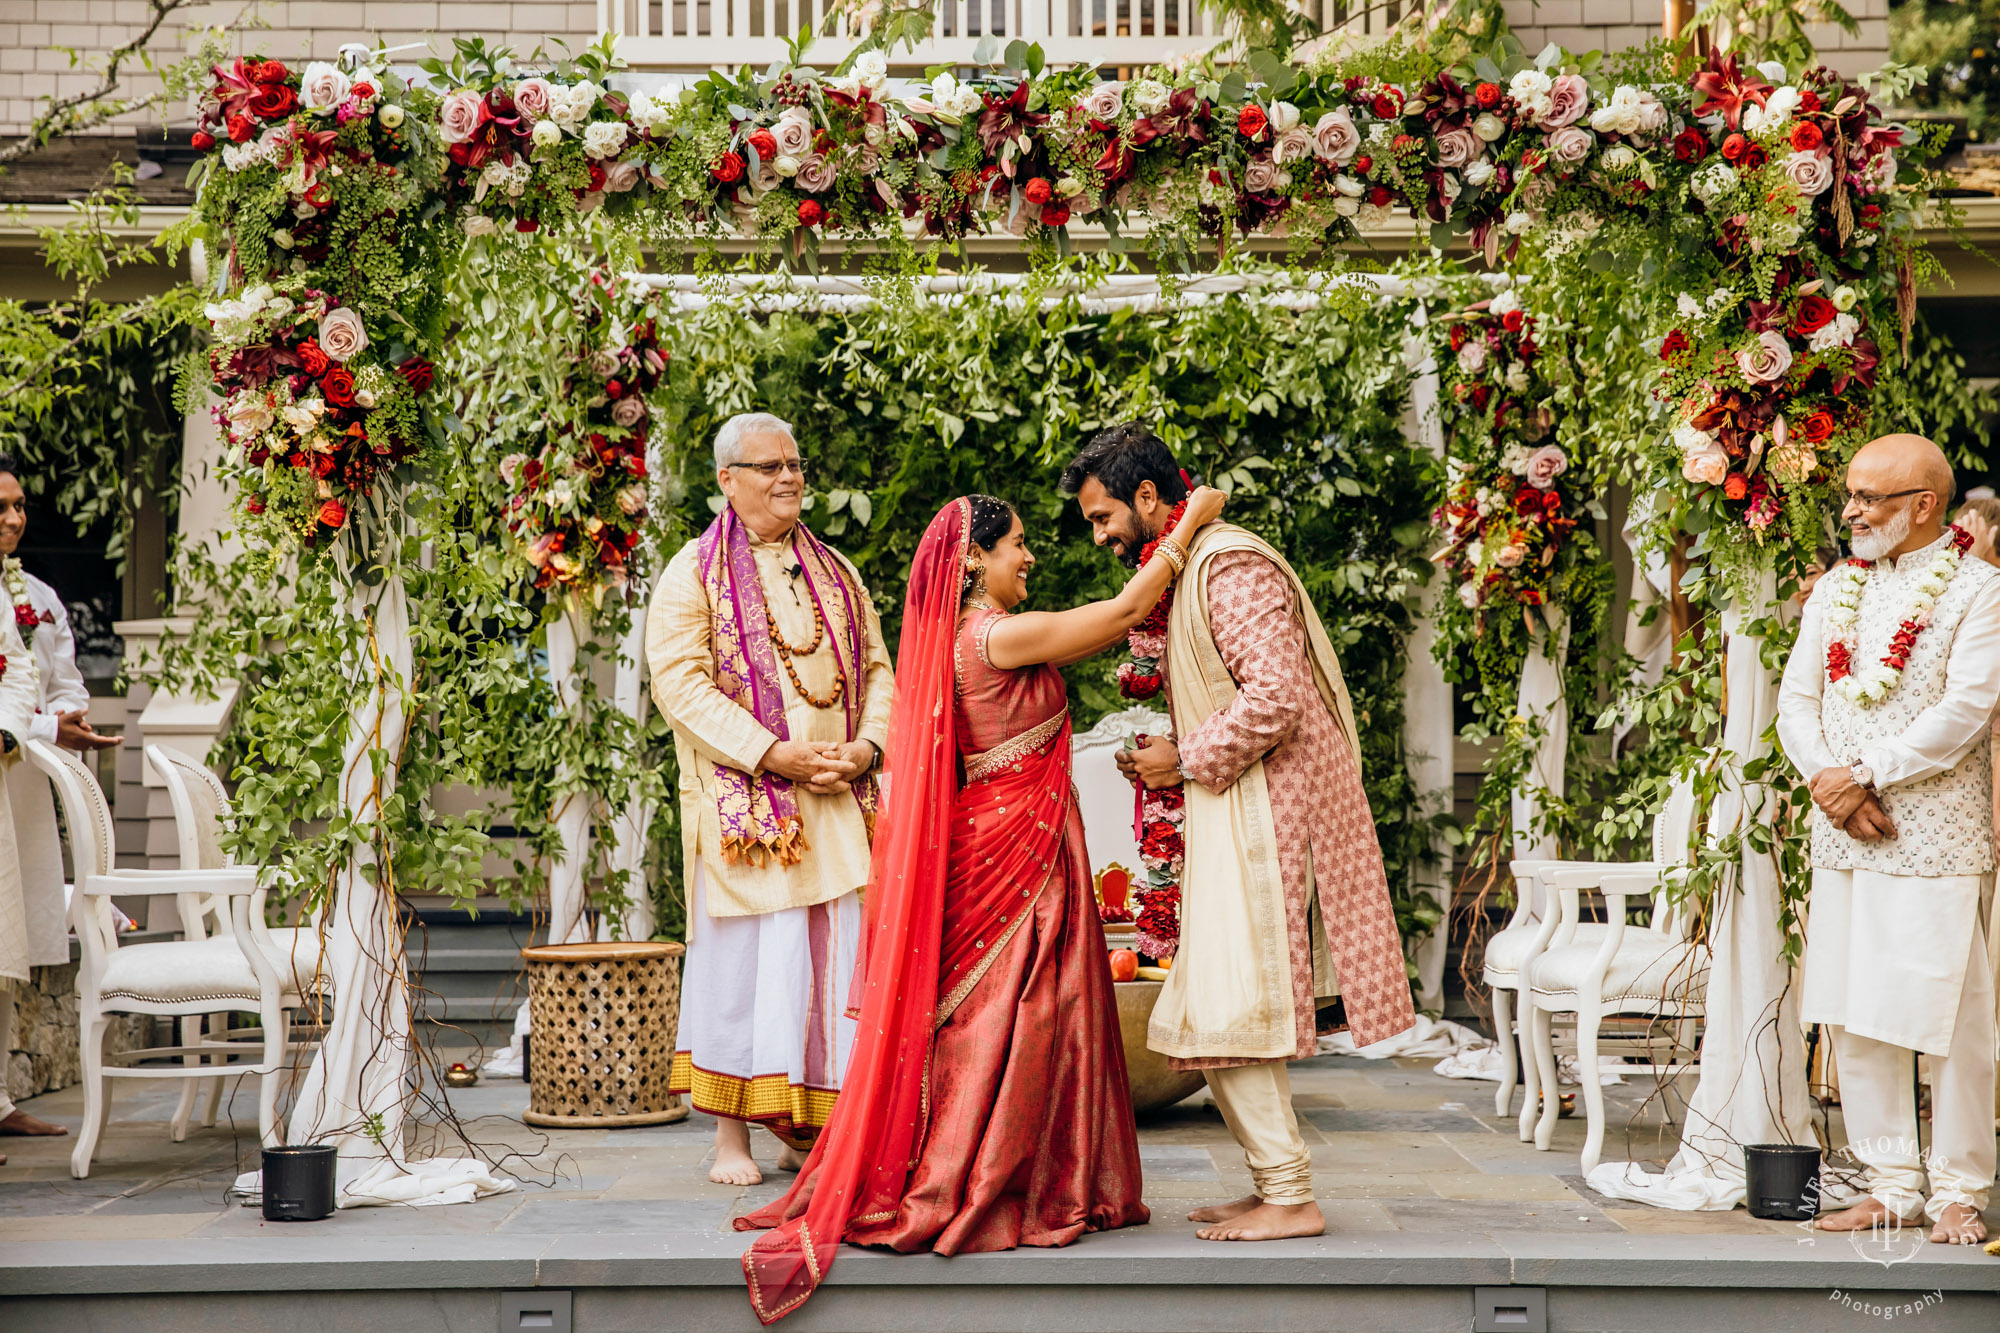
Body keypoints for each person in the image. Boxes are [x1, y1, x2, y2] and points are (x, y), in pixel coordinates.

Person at [736, 485, 1224, 1323]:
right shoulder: (995, 635)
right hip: (1012, 853)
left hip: (1013, 841)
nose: (1029, 556)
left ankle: (1010, 1168)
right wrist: (1194, 518)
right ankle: (978, 1178)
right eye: (1018, 545)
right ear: (972, 560)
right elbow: (1122, 611)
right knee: (1019, 1011)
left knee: (1016, 1014)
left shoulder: (963, 638)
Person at [1063, 422, 1416, 1243]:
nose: (1101, 533)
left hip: (1273, 810)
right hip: (1236, 800)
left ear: (1149, 498)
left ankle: (1291, 1194)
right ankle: (1275, 1185)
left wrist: (1183, 758)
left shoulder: (1233, 565)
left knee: (1228, 1001)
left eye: (1102, 514)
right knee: (1210, 1001)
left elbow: (1277, 698)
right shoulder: (1189, 568)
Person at [646, 414, 894, 1186]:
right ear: (728, 479)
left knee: (830, 963)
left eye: (795, 463)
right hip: (752, 806)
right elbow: (678, 683)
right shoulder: (693, 571)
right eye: (769, 466)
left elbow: (881, 671)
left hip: (838, 795)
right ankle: (731, 1140)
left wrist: (865, 749)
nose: (788, 477)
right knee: (751, 964)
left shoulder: (837, 570)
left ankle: (810, 1132)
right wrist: (773, 754)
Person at [1777, 434, 1998, 1246]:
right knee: (1854, 1009)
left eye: (1871, 497)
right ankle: (1891, 1183)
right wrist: (1831, 782)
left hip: (1933, 830)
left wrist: (1866, 772)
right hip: (1846, 830)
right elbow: (1797, 702)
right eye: (1852, 493)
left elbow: (1965, 711)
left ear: (1924, 506)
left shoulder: (1981, 590)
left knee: (1951, 1016)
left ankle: (1960, 1189)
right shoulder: (1838, 587)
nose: (1852, 509)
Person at [0, 456, 118, 1150]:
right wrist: (43, 725)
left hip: (22, 782)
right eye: (1, 507)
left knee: (11, 946)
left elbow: (59, 680)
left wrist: (63, 716)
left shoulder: (38, 597)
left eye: (19, 506)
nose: (15, 519)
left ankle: (2, 1094)